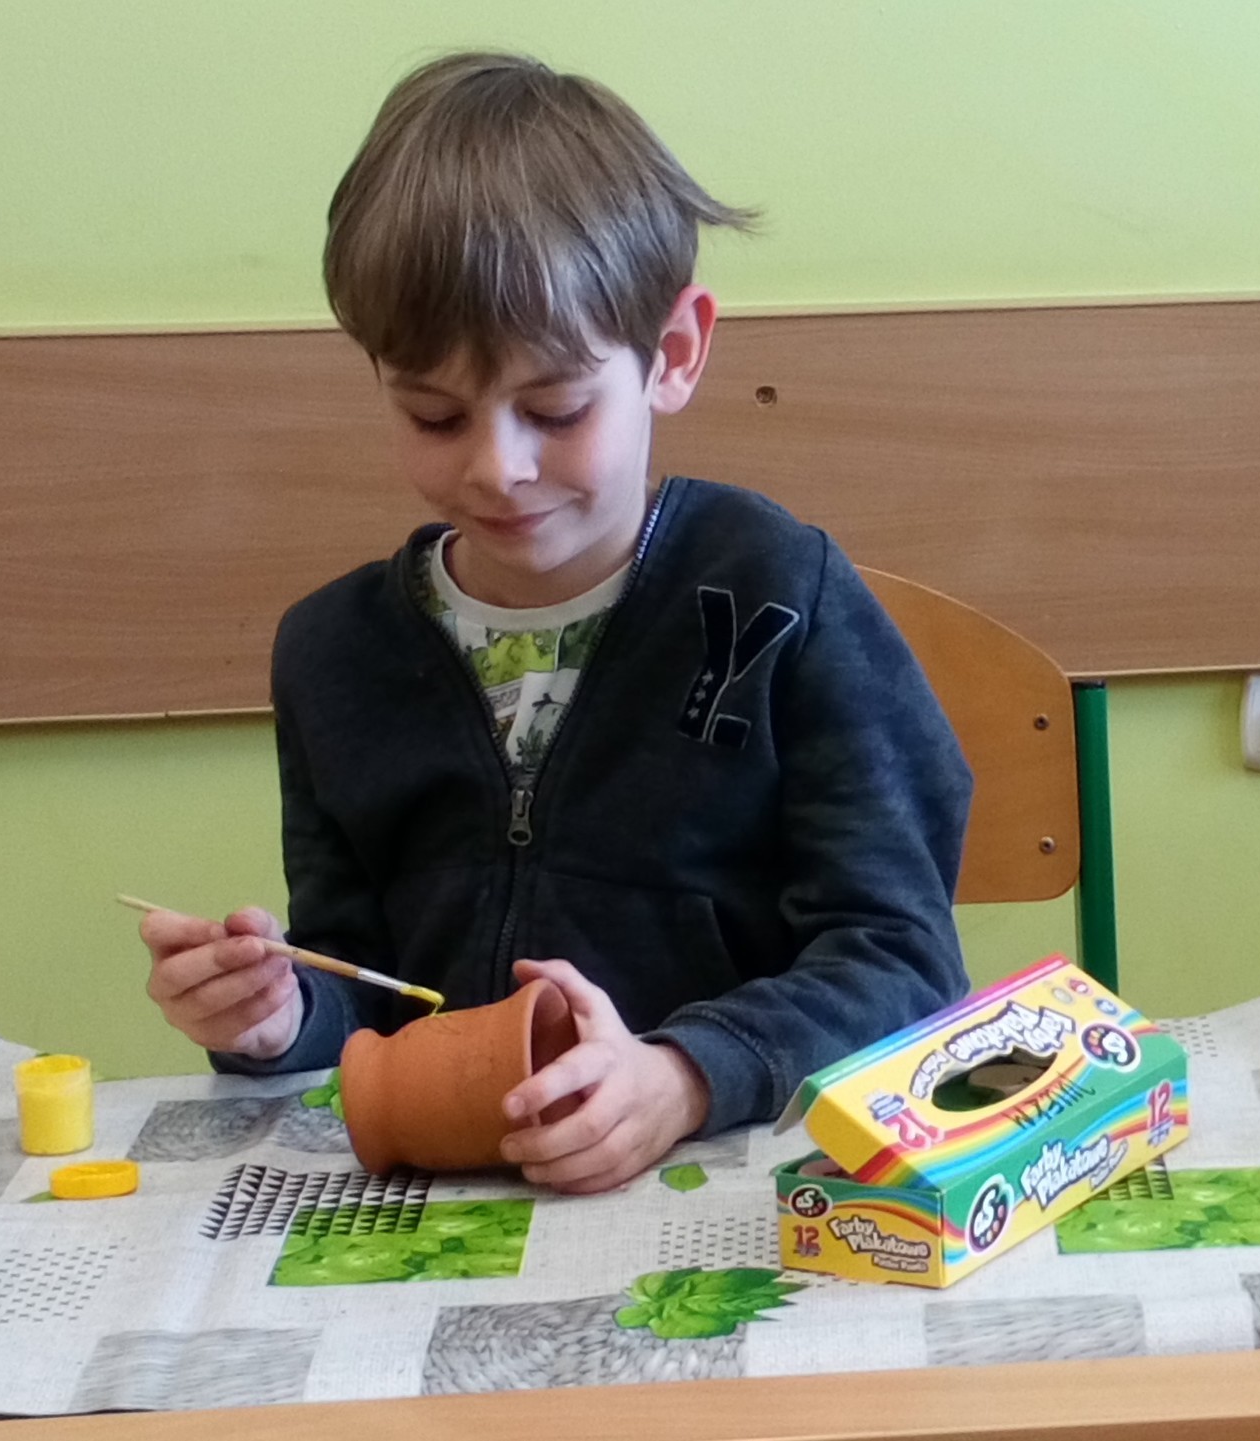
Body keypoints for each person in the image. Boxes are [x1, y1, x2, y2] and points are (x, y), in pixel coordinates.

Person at [136, 52, 972, 1191]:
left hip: (744, 1190)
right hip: (451, 1207)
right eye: (435, 417)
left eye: (558, 408)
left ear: (674, 354)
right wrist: (277, 1015)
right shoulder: (334, 653)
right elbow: (366, 991)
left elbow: (902, 959)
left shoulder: (779, 592)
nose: (499, 467)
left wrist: (685, 1074)